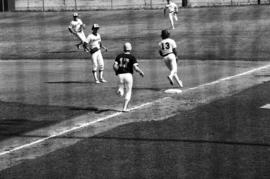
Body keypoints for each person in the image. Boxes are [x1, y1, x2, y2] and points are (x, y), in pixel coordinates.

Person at [113, 42, 144, 112]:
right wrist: (141, 72)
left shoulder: (119, 56)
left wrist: (116, 72)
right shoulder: (132, 57)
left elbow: (114, 66)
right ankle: (124, 108)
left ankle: (120, 91)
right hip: (128, 75)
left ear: (124, 48)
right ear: (130, 48)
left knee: (121, 89)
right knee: (128, 91)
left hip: (120, 75)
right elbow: (135, 68)